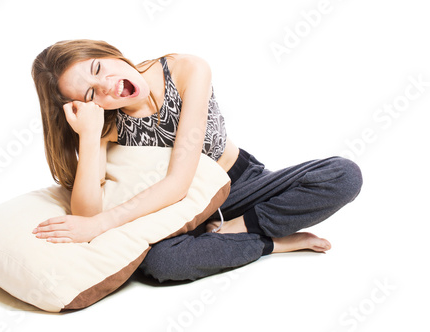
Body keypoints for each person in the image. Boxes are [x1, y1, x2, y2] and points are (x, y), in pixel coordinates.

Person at [31, 39, 363, 282]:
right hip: (182, 212)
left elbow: (178, 182)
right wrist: (88, 137)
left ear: (109, 52)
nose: (106, 86)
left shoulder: (186, 69)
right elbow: (87, 214)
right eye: (91, 94)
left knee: (343, 176)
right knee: (160, 265)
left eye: (98, 68)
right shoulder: (105, 124)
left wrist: (101, 225)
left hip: (239, 184)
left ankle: (235, 230)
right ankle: (270, 243)